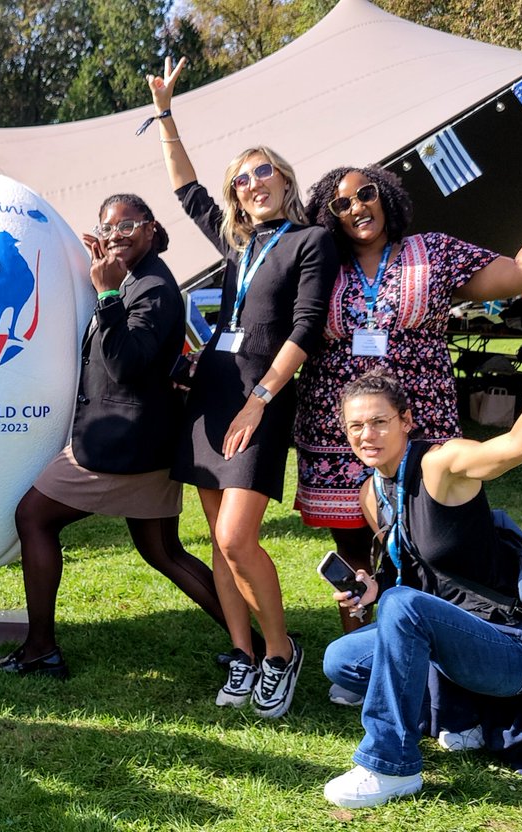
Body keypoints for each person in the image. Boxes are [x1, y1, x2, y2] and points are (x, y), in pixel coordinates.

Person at [293, 156, 522, 685]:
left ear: (384, 194)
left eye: (364, 193)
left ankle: (443, 654)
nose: (356, 208)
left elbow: (520, 274)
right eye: (340, 203)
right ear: (329, 217)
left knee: (432, 547)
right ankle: (370, 665)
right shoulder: (322, 267)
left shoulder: (431, 252)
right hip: (341, 433)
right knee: (356, 550)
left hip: (421, 427)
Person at [320, 308, 522, 808]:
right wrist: (373, 584)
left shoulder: (440, 464)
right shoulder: (370, 492)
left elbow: (516, 448)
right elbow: (408, 569)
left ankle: (390, 765)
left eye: (380, 422)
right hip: (446, 641)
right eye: (356, 426)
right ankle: (457, 716)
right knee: (341, 659)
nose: (367, 435)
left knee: (402, 607)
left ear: (406, 421)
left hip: (507, 649)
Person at [147, 58, 338, 716]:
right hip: (212, 392)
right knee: (213, 539)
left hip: (262, 395)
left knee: (236, 538)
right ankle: (244, 653)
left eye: (263, 171)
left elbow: (307, 327)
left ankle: (281, 652)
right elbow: (185, 190)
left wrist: (261, 400)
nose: (253, 182)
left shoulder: (311, 241)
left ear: (284, 178)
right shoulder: (239, 242)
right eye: (243, 177)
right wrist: (167, 115)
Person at [0, 194, 228, 679]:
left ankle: (40, 648)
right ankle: (260, 644)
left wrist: (109, 295)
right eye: (108, 228)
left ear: (151, 228)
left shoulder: (152, 288)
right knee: (165, 553)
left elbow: (124, 364)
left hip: (122, 446)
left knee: (33, 516)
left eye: (127, 227)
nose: (116, 235)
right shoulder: (137, 278)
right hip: (144, 440)